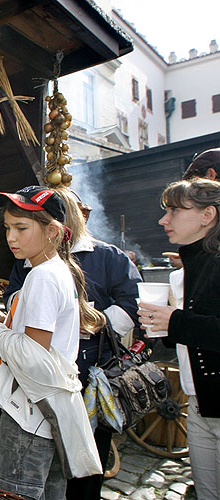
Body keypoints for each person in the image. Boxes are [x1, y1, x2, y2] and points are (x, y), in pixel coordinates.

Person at [0, 186, 104, 500]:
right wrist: (5, 320)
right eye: (8, 228)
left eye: (21, 228)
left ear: (53, 231)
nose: (11, 237)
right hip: (47, 414)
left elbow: (32, 357)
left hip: (29, 416)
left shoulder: (41, 277)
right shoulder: (56, 270)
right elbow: (40, 341)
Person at [2, 188, 141, 500]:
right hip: (49, 376)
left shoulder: (109, 257)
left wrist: (86, 324)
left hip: (94, 369)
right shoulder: (32, 258)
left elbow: (132, 304)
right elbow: (12, 293)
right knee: (55, 470)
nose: (13, 235)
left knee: (87, 458)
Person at [138, 178, 220, 500]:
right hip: (199, 407)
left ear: (207, 215)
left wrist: (176, 321)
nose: (163, 220)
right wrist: (167, 326)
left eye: (173, 210)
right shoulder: (191, 266)